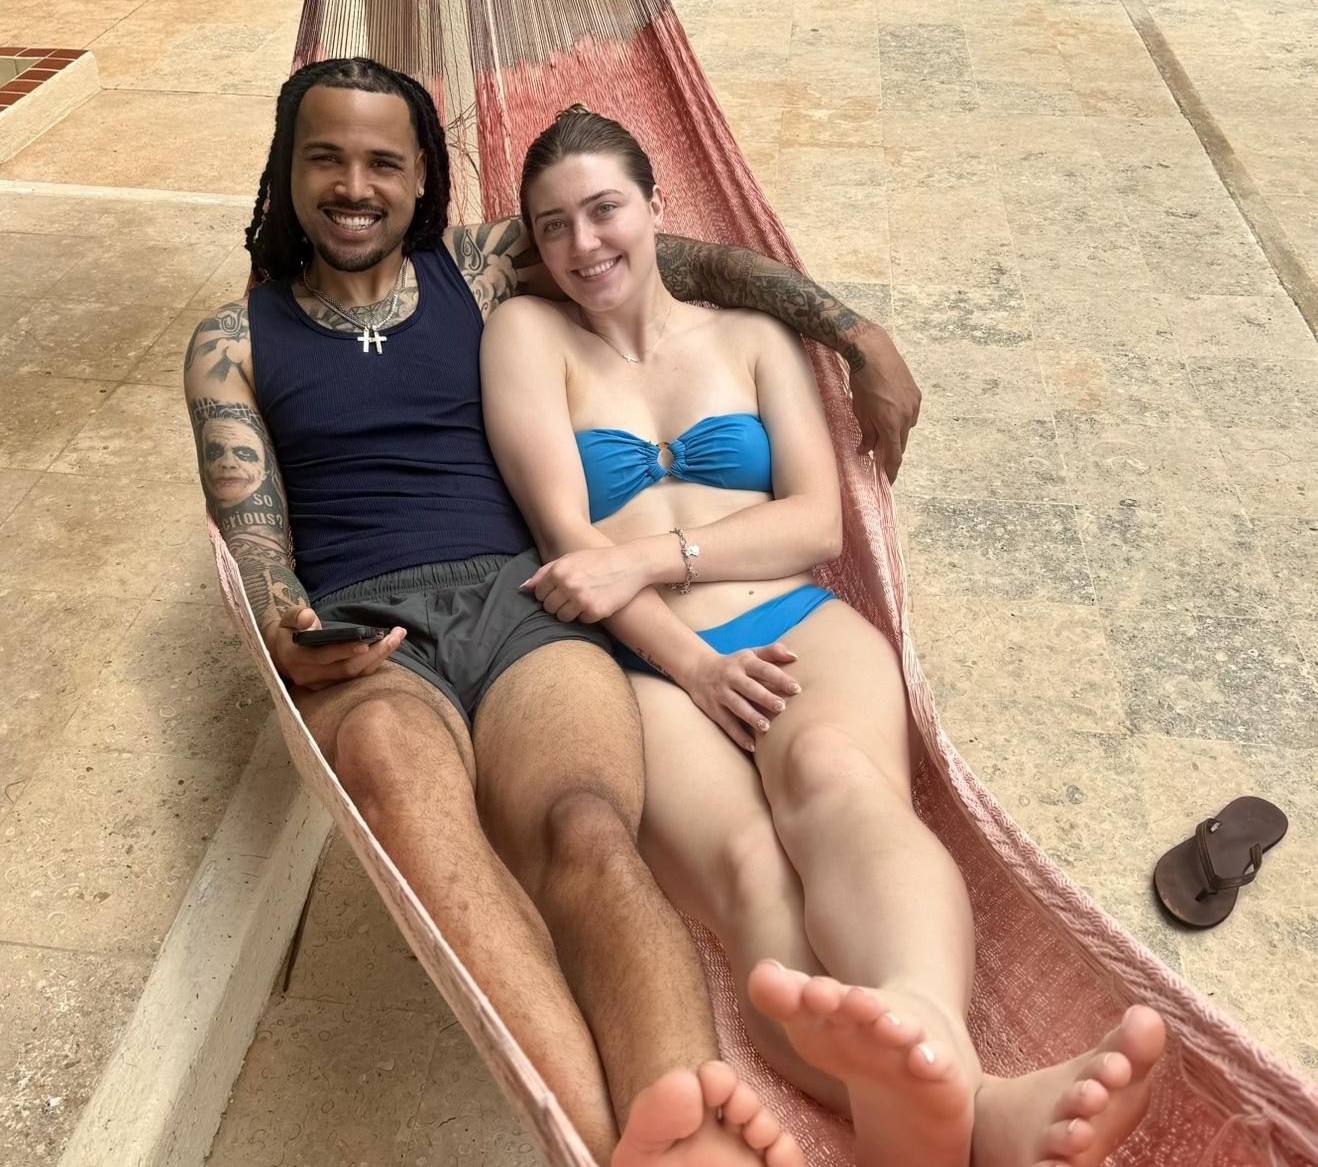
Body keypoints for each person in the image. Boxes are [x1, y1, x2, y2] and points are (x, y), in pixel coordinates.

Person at [184, 57, 919, 1166]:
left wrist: (854, 332)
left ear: (420, 177)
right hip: (369, 631)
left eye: (384, 162)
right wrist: (286, 622)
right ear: (287, 170)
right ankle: (622, 1142)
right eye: (325, 158)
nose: (355, 186)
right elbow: (253, 538)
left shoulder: (474, 270)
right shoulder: (231, 342)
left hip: (522, 600)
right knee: (395, 779)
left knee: (586, 828)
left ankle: (683, 1119)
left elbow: (672, 258)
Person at [480, 105, 1169, 1167]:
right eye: (553, 225)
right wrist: (696, 665)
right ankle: (975, 1111)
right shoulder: (527, 337)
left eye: (605, 209)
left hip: (797, 618)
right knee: (750, 871)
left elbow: (816, 523)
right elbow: (571, 545)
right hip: (645, 662)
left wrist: (650, 555)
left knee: (837, 782)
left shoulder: (751, 339)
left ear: (658, 207)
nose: (583, 244)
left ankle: (930, 1062)